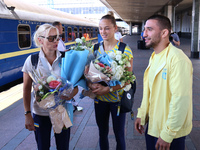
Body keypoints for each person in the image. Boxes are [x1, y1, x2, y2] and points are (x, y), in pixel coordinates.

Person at [135, 15, 193, 150]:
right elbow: (149, 91)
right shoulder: (154, 56)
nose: (144, 34)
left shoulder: (178, 60)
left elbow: (180, 100)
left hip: (170, 132)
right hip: (153, 126)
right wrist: (142, 114)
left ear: (164, 33)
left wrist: (168, 133)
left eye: (149, 29)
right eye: (144, 30)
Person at [22, 23, 78, 150]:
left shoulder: (66, 58)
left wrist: (69, 95)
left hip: (61, 111)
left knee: (63, 147)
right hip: (40, 113)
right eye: (51, 38)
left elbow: (75, 86)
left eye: (57, 37)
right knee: (42, 147)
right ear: (40, 40)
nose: (56, 41)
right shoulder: (32, 61)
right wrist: (27, 114)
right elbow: (26, 89)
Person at [88, 12, 133, 150]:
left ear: (115, 29)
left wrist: (108, 89)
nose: (103, 31)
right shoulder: (94, 49)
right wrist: (91, 84)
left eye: (107, 28)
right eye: (101, 28)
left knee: (119, 134)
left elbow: (128, 80)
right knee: (102, 133)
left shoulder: (124, 50)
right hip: (99, 100)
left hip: (117, 100)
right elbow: (87, 73)